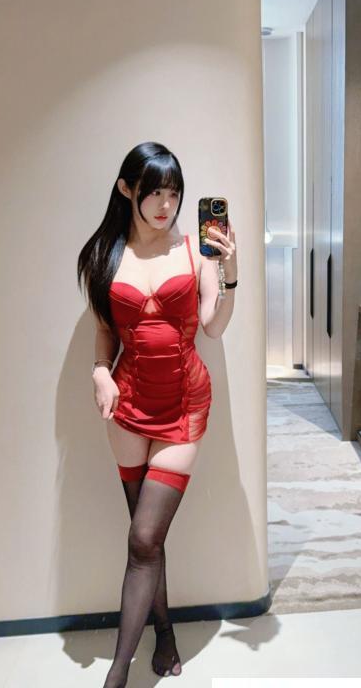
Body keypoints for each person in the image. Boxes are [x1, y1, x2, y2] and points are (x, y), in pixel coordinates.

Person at [77, 141, 237, 686]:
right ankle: (164, 630)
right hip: (128, 404)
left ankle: (117, 674)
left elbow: (214, 326)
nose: (166, 205)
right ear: (128, 190)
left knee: (144, 538)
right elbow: (105, 330)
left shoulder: (195, 254)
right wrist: (101, 371)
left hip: (184, 405)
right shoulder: (104, 256)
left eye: (174, 193)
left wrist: (230, 270)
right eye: (155, 193)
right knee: (145, 539)